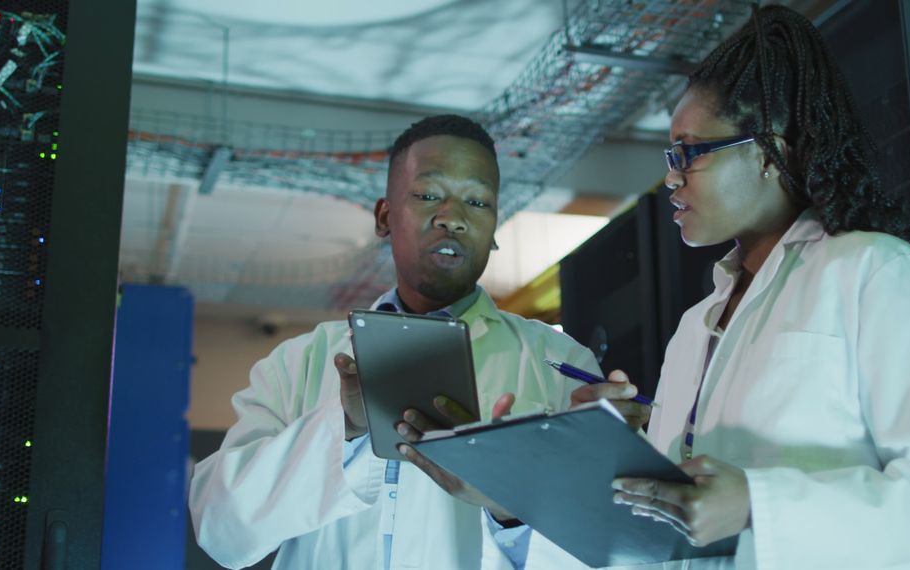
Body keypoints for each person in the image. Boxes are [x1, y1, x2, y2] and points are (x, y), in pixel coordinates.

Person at [528, 5, 910, 569]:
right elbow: (672, 535)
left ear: (768, 151)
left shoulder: (876, 272)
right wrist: (610, 455)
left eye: (689, 152)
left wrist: (759, 502)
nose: (672, 178)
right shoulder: (692, 327)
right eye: (669, 156)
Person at [188, 114, 648, 570]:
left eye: (478, 202)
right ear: (385, 216)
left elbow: (613, 556)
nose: (453, 218)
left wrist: (510, 502)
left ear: (493, 232)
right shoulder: (301, 362)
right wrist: (345, 424)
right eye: (429, 195)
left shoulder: (558, 362)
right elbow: (220, 531)